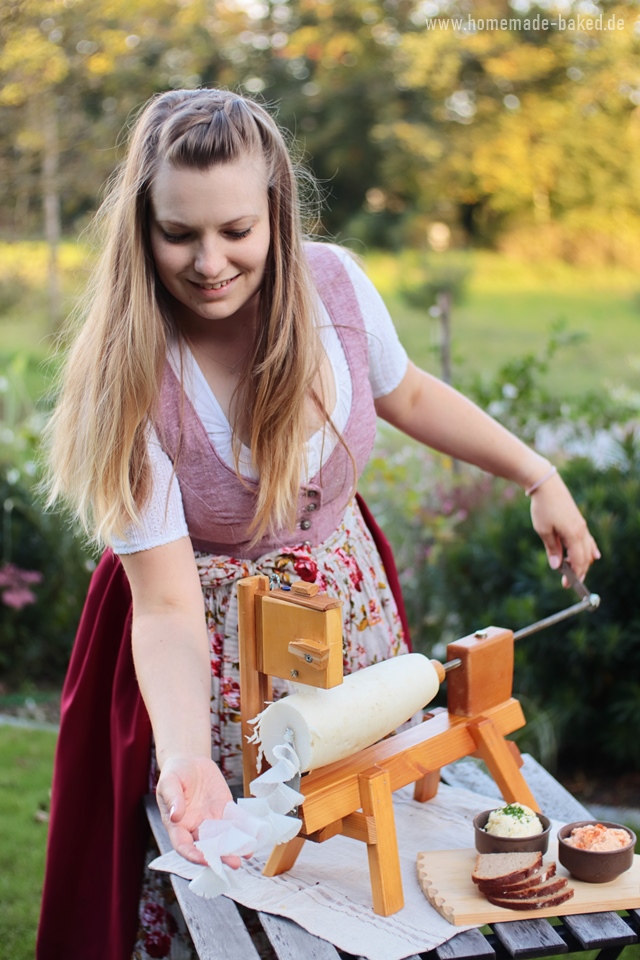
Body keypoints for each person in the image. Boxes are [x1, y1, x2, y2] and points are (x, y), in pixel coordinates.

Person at [38, 88, 599, 960]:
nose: (209, 261)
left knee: (359, 834)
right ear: (141, 227)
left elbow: (406, 391)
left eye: (236, 230)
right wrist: (186, 755)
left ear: (275, 214)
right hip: (208, 660)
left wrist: (535, 471)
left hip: (351, 616)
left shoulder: (335, 286)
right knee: (246, 880)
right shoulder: (132, 382)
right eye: (178, 233)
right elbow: (168, 610)